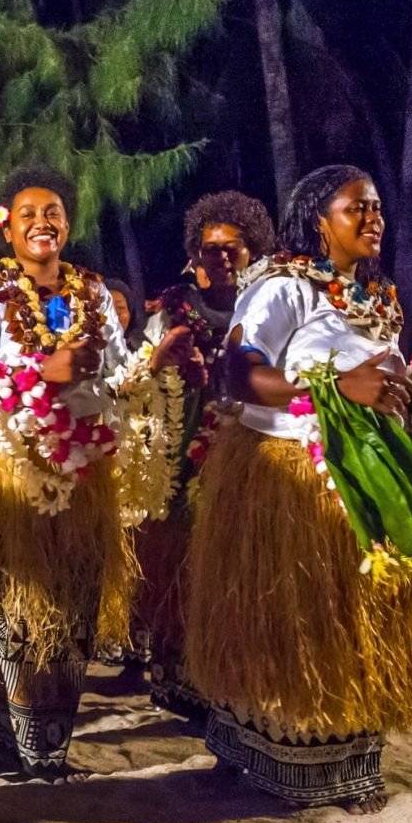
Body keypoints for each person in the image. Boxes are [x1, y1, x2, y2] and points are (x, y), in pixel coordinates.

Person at [186, 164, 412, 813]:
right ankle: (280, 756)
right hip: (291, 475)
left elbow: (378, 384)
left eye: (376, 207)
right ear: (319, 221)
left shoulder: (377, 297)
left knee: (360, 613)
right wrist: (328, 389)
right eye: (356, 208)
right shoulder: (282, 288)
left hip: (369, 476)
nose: (373, 218)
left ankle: (350, 764)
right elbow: (237, 374)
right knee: (294, 613)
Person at [0, 167, 188, 781]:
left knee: (70, 606)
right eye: (28, 214)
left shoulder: (91, 291)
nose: (42, 223)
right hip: (3, 468)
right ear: (7, 227)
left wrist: (152, 364)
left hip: (81, 471)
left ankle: (47, 749)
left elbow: (115, 376)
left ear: (67, 224)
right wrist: (47, 371)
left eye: (53, 213)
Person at [124, 191, 275, 723]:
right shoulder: (174, 307)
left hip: (245, 444)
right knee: (181, 558)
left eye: (234, 246)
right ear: (196, 253)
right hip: (183, 446)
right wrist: (167, 363)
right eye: (212, 248)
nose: (223, 256)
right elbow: (142, 370)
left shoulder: (268, 302)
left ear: (252, 248)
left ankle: (229, 682)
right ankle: (179, 681)